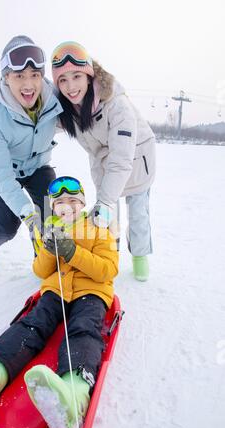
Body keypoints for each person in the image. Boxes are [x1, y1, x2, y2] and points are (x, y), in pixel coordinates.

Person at [0, 176, 119, 428]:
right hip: (55, 291)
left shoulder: (98, 230)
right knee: (33, 323)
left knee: (84, 330)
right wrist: (49, 248)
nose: (67, 207)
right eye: (61, 203)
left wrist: (72, 252)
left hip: (91, 293)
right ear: (53, 208)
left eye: (73, 201)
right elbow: (40, 271)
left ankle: (73, 393)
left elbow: (107, 270)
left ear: (83, 204)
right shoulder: (50, 231)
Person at [51, 41, 156, 281]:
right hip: (103, 163)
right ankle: (110, 258)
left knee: (137, 214)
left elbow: (121, 159)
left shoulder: (117, 105)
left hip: (136, 159)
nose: (70, 86)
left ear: (89, 76)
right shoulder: (68, 108)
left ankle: (140, 257)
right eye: (62, 80)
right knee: (107, 217)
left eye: (76, 76)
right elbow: (43, 129)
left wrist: (106, 201)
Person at [0, 35, 63, 272]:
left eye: (35, 75)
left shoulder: (52, 98)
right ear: (6, 77)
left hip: (39, 167)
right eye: (19, 76)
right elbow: (0, 174)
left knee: (49, 218)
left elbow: (79, 114)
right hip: (6, 173)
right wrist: (26, 213)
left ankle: (44, 263)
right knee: (7, 227)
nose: (28, 84)